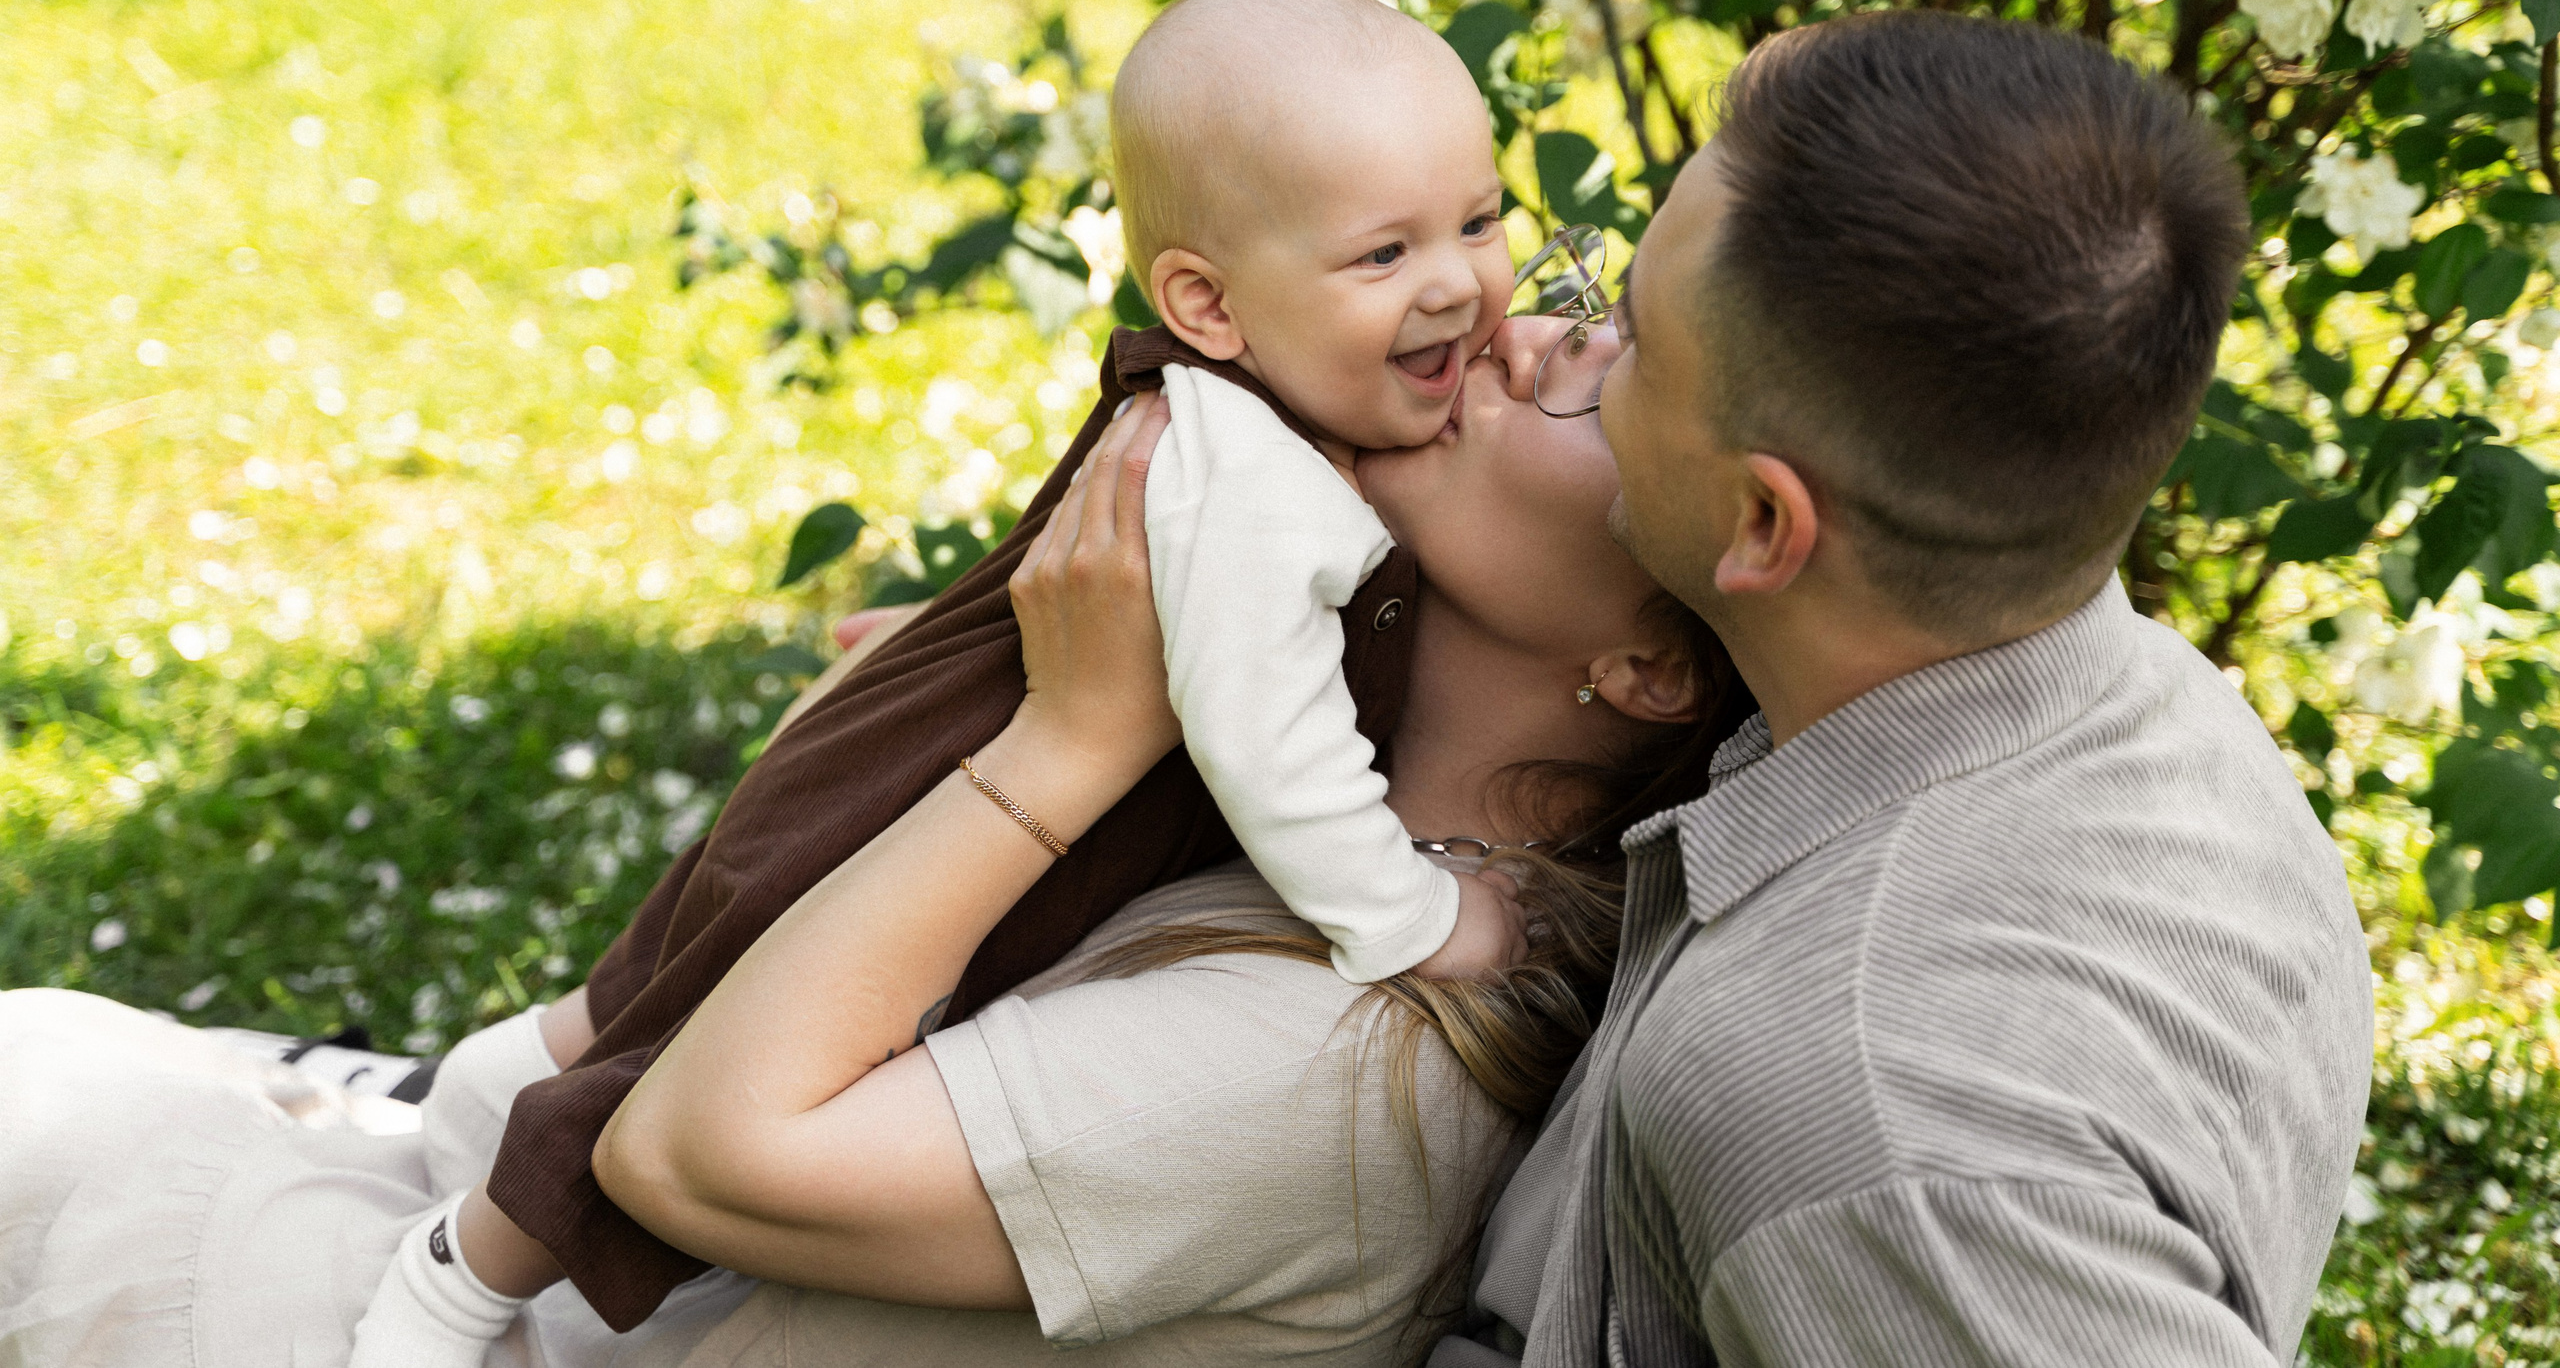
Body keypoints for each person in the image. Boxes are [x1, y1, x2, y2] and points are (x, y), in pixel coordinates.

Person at [0, 317, 1739, 1368]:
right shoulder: (1323, 792)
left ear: (1646, 665)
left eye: (1604, 385)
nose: (1519, 332)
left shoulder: (1346, 1059)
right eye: (1585, 305)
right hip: (472, 1254)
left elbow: (694, 1156)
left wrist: (1057, 752)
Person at [423, 0, 1530, 1359]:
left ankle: (509, 1086)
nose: (1465, 289)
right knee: (687, 1023)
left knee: (676, 975)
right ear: (1210, 303)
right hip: (950, 783)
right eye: (1384, 256)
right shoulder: (1260, 478)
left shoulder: (1289, 424)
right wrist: (1410, 921)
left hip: (941, 748)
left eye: (1483, 221)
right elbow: (1270, 743)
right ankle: (453, 1278)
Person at [1437, 13, 2374, 1365]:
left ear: (1767, 526)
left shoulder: (1858, 1100)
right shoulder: (2159, 716)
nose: (1542, 332)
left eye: (1630, 335)